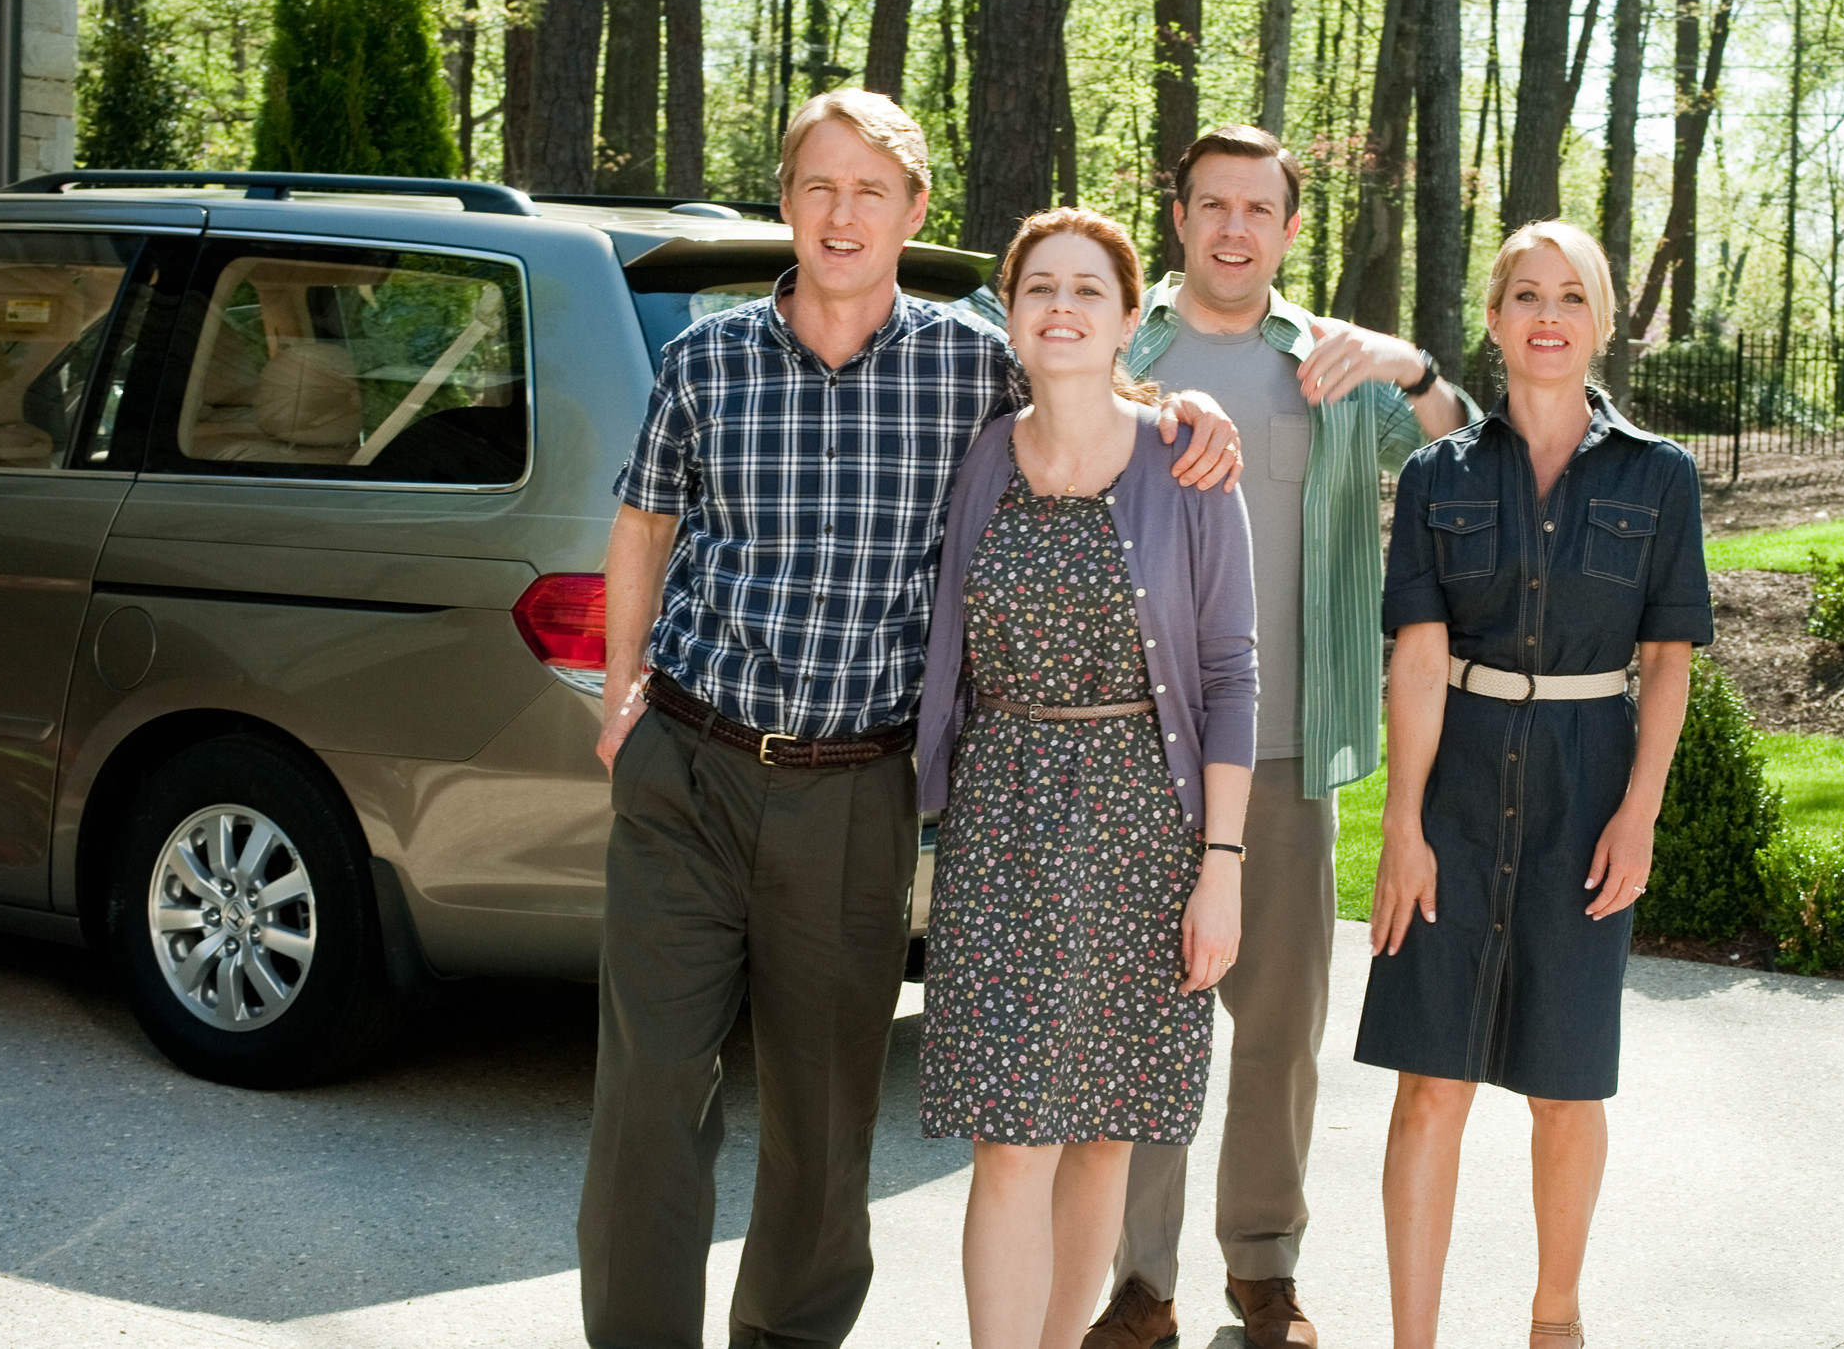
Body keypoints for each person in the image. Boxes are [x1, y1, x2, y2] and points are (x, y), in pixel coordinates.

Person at [580, 90, 1241, 1349]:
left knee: (826, 1118)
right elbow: (642, 524)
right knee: (649, 1092)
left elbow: (1080, 378)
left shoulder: (964, 365)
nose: (841, 214)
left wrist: (1181, 413)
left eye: (869, 191)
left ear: (913, 212)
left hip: (851, 787)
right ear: (785, 200)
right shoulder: (703, 361)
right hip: (688, 770)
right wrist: (622, 689)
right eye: (819, 186)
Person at [1089, 124, 1477, 1349]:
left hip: (1287, 749)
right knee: (1139, 1023)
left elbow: (1466, 446)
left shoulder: (1332, 362)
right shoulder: (1118, 340)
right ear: (1180, 215)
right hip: (1133, 744)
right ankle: (1137, 1283)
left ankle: (1262, 1267)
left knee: (1277, 1026)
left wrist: (1409, 362)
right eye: (1213, 205)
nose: (1234, 229)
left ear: (1288, 227)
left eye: (1258, 209)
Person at [1356, 221, 1714, 1349]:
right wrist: (1400, 829)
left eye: (1569, 295)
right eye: (1524, 294)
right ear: (1496, 318)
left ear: (1600, 320)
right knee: (1428, 1084)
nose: (1546, 314)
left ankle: (1551, 1319)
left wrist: (1639, 812)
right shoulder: (1432, 475)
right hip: (1454, 788)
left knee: (1566, 1084)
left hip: (1583, 791)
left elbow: (1666, 658)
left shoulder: (1658, 476)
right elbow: (1415, 659)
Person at [915, 207, 1257, 1349]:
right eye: (1038, 289)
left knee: (1105, 1126)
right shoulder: (977, 455)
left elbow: (1227, 675)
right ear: (1010, 314)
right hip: (999, 815)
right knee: (1010, 1132)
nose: (1060, 308)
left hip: (1143, 823)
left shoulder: (1187, 462)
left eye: (1086, 291)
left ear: (1125, 321)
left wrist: (1221, 866)